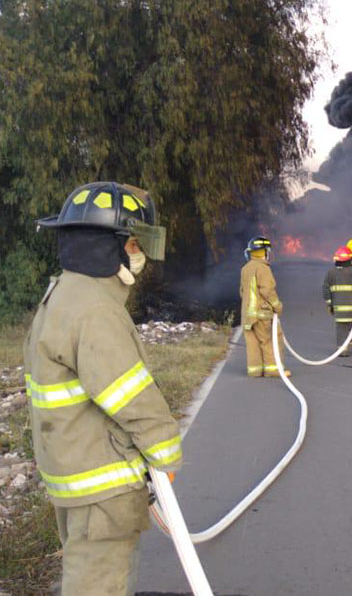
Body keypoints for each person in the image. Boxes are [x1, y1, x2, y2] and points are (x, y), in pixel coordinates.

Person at [25, 182, 183, 595]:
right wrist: (166, 455)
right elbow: (131, 396)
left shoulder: (63, 292)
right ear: (115, 247)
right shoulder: (95, 309)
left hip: (75, 473)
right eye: (134, 243)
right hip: (103, 486)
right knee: (98, 585)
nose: (140, 253)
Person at [239, 235, 288, 377]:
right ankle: (272, 369)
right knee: (269, 340)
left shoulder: (245, 269)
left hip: (247, 316)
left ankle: (255, 371)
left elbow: (242, 291)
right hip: (262, 314)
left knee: (252, 343)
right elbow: (267, 291)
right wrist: (277, 306)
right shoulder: (263, 269)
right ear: (265, 252)